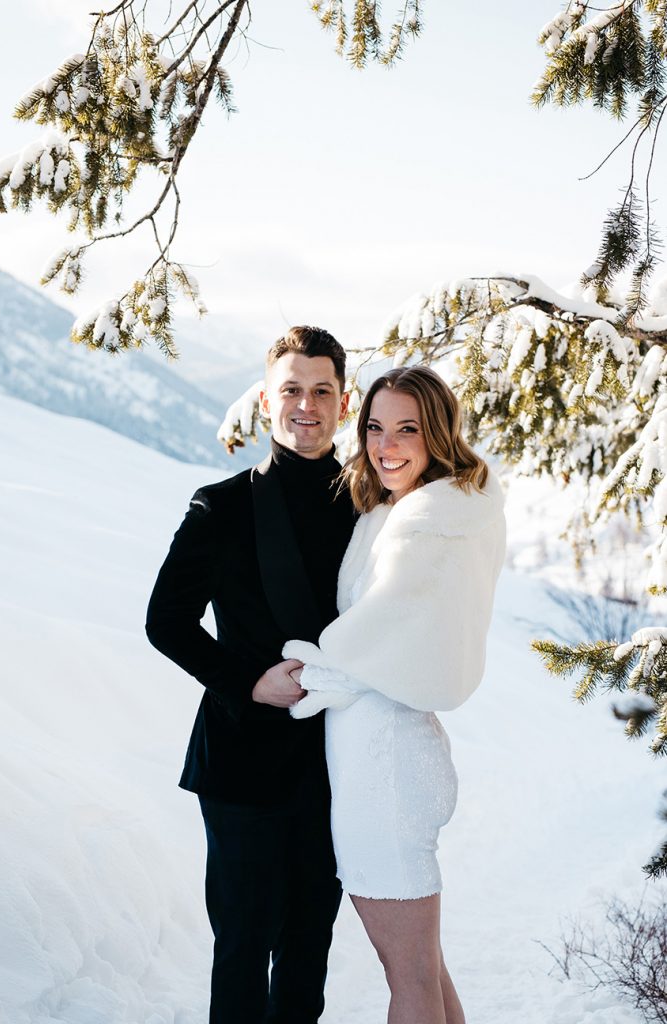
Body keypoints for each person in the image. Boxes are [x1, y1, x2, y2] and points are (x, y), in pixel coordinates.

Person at [145, 326, 356, 1024]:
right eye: (291, 389)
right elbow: (165, 622)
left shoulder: (372, 509)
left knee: (308, 944)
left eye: (321, 390)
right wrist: (248, 681)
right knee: (242, 943)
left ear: (343, 401)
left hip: (336, 760)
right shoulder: (221, 505)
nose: (306, 404)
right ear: (266, 401)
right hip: (240, 761)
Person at [284, 365, 506, 1024]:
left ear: (436, 433)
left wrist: (306, 673)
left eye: (406, 429)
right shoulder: (415, 511)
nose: (386, 445)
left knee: (407, 977)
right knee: (422, 969)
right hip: (390, 753)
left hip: (382, 767)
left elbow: (371, 640)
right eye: (375, 427)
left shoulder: (426, 528)